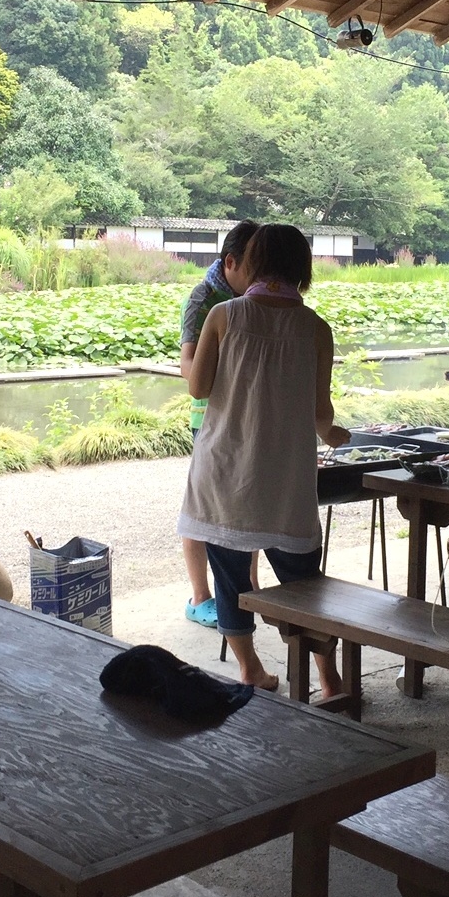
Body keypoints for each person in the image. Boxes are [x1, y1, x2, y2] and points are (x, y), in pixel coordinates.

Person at [178, 224, 350, 692]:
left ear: (251, 263)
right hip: (286, 484)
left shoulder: (223, 316)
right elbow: (320, 414)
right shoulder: (316, 328)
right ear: (303, 269)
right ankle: (330, 678)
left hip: (224, 476)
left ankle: (250, 671)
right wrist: (335, 433)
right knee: (306, 587)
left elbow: (198, 387)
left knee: (232, 583)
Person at [178, 220, 259, 628]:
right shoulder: (203, 298)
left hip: (244, 415)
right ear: (230, 262)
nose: (261, 280)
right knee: (202, 509)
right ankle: (200, 596)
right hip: (208, 418)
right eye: (254, 270)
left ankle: (249, 587)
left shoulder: (253, 300)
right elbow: (188, 368)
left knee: (246, 501)